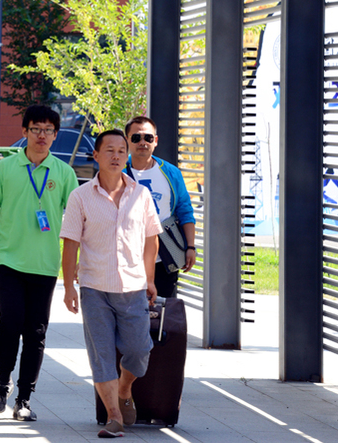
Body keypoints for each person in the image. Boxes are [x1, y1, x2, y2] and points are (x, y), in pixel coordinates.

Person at [0, 105, 79, 422]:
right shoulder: (5, 168)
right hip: (8, 260)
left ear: (55, 135)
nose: (42, 135)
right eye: (36, 129)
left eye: (48, 130)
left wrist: (76, 265)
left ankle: (24, 398)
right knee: (10, 322)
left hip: (44, 265)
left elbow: (79, 220)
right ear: (25, 132)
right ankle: (3, 382)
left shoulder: (64, 173)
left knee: (36, 331)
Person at [60, 129, 161, 438]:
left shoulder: (140, 194)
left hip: (132, 287)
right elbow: (70, 244)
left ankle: (125, 387)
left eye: (121, 150)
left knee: (139, 350)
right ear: (96, 156)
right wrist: (67, 287)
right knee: (101, 354)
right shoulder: (80, 197)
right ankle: (113, 417)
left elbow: (151, 240)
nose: (117, 156)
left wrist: (150, 279)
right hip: (94, 287)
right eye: (110, 151)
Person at [123, 116, 196, 298]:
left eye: (148, 138)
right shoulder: (118, 172)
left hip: (164, 255)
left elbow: (185, 210)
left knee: (163, 313)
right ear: (127, 140)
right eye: (136, 138)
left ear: (155, 141)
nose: (142, 142)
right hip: (126, 257)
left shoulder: (171, 173)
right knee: (130, 315)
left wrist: (191, 247)